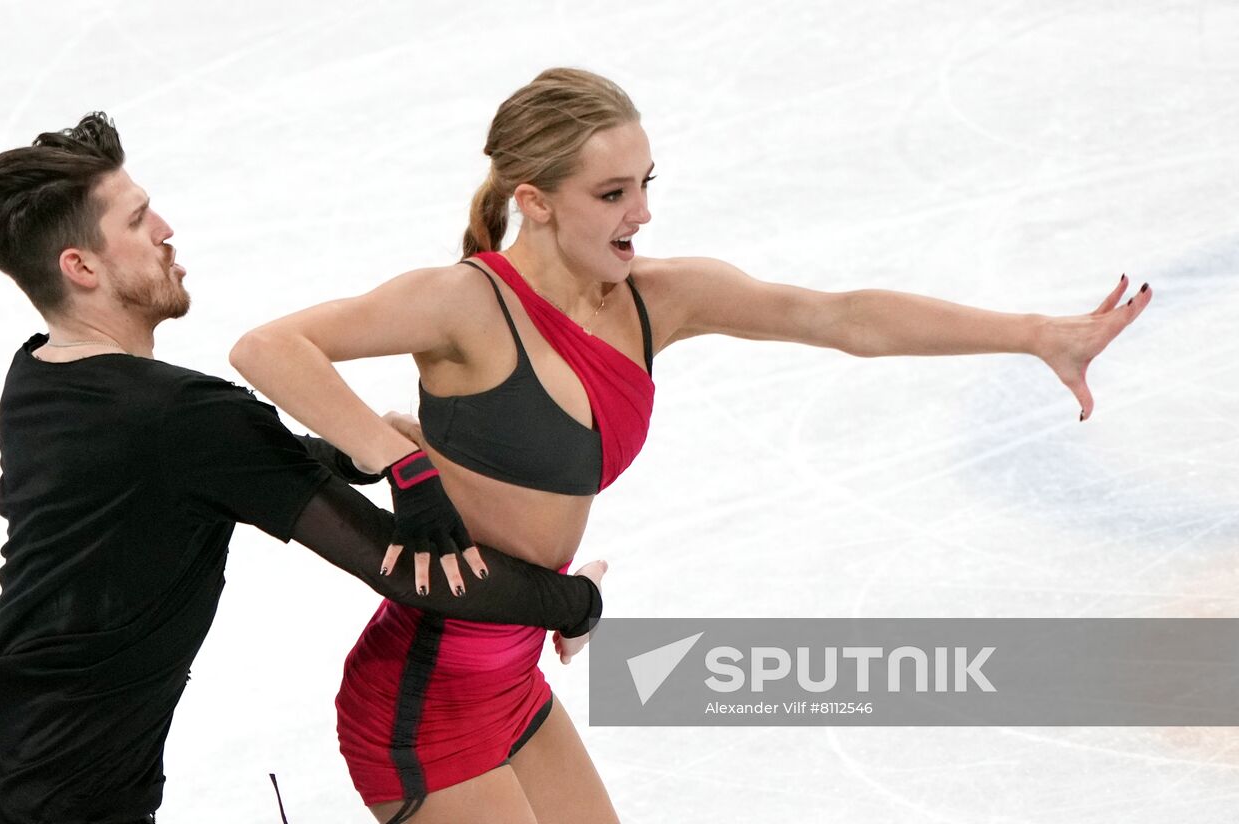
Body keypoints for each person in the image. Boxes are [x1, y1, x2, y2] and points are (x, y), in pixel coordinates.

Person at [230, 68, 1152, 823]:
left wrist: (1037, 333)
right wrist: (406, 464)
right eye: (612, 194)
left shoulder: (654, 300)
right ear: (535, 203)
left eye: (645, 186)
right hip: (423, 696)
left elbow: (839, 318)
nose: (641, 214)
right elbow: (268, 347)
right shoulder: (465, 303)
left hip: (511, 681)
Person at [0, 112, 608, 824]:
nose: (166, 230)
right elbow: (405, 566)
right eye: (138, 220)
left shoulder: (40, 377)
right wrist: (573, 603)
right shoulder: (183, 417)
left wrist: (343, 456)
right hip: (58, 803)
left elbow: (185, 472)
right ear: (81, 267)